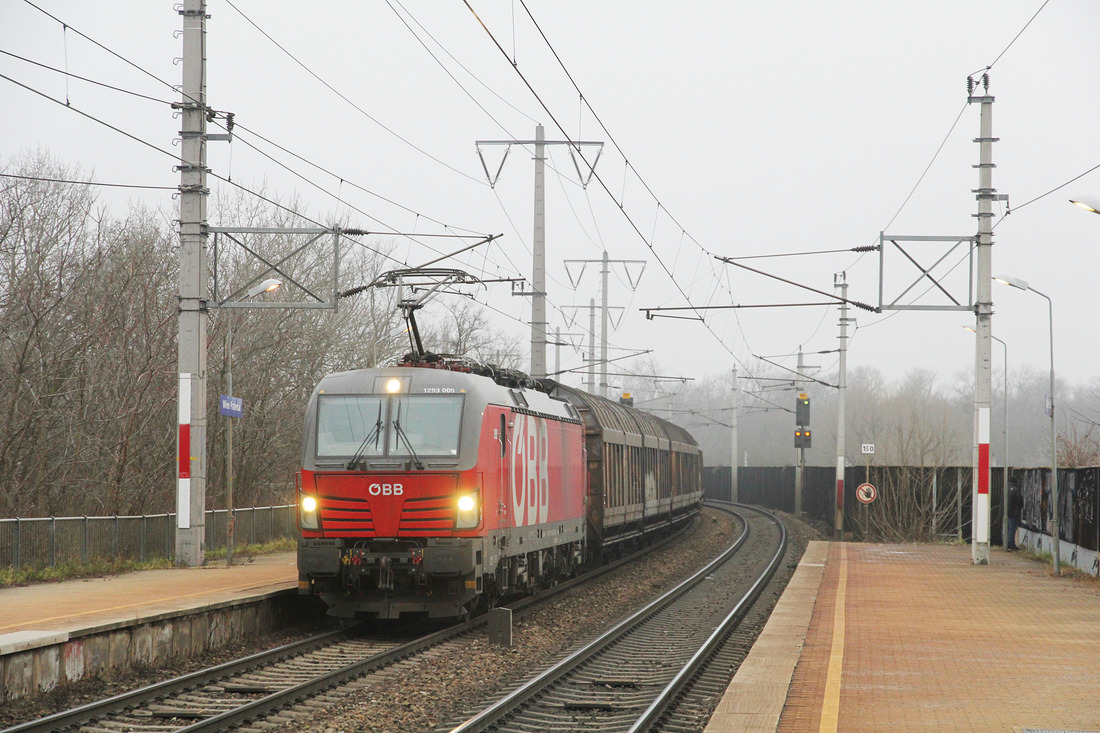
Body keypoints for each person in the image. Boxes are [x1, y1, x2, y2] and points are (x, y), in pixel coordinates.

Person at [1006, 479, 1023, 551]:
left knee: (1006, 528)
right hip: (1014, 512)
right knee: (1012, 529)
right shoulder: (1016, 490)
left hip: (1005, 512)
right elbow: (1020, 501)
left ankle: (1005, 543)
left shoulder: (1005, 489)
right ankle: (1012, 545)